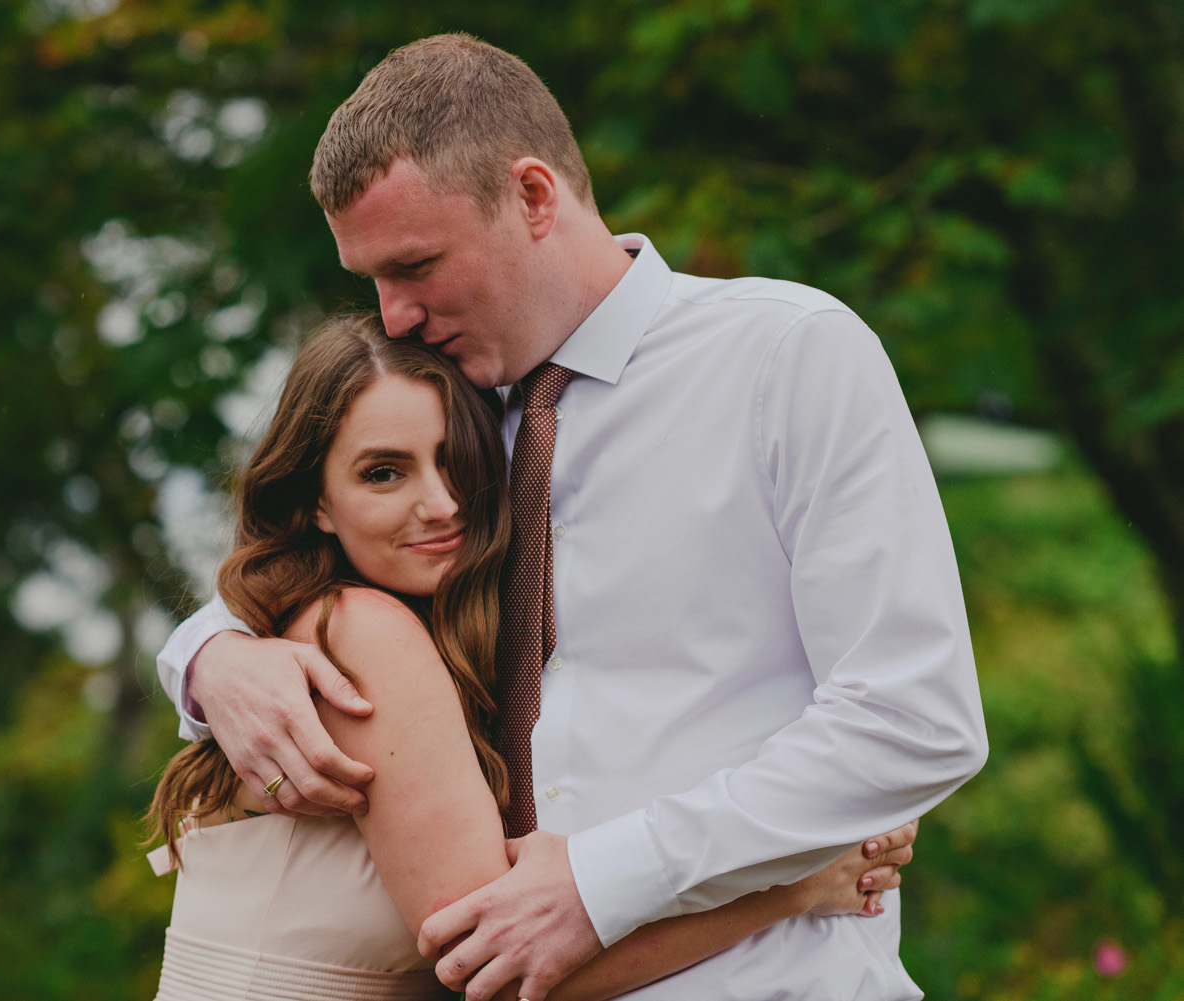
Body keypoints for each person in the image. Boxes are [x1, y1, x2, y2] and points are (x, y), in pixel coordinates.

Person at [157, 33, 988, 1001]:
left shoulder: (787, 356)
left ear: (536, 197)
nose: (392, 317)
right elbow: (320, 555)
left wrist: (603, 879)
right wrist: (209, 659)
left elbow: (915, 713)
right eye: (371, 280)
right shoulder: (449, 422)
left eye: (417, 264)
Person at [145, 312, 913, 1001]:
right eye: (384, 472)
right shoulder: (363, 632)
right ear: (315, 501)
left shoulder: (317, 627)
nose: (441, 502)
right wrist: (796, 882)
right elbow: (501, 971)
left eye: (454, 460)